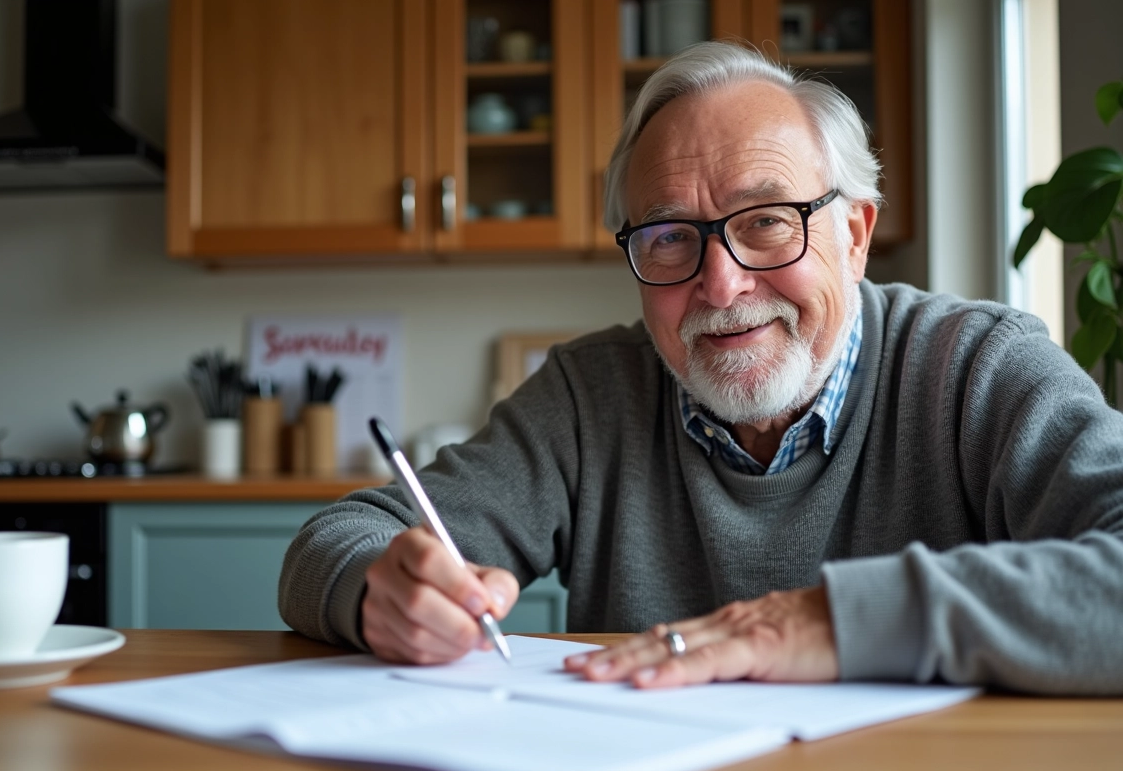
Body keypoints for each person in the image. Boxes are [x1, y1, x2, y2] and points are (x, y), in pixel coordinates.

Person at [279, 41, 1123, 695]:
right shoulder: (590, 395)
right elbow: (335, 541)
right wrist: (377, 590)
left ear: (855, 235)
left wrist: (835, 622)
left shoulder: (978, 369)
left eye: (765, 221)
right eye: (671, 236)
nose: (720, 284)